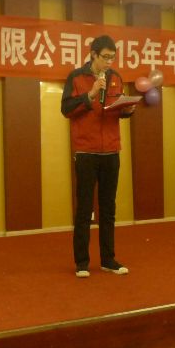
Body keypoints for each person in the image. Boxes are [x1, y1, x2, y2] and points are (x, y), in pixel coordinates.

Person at [61, 35, 136, 278]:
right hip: (86, 151)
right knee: (84, 208)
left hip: (111, 151)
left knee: (108, 208)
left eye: (112, 58)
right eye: (105, 57)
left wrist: (127, 109)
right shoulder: (76, 77)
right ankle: (82, 262)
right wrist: (91, 94)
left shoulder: (116, 78)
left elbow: (116, 110)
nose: (109, 62)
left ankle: (108, 259)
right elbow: (66, 109)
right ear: (93, 54)